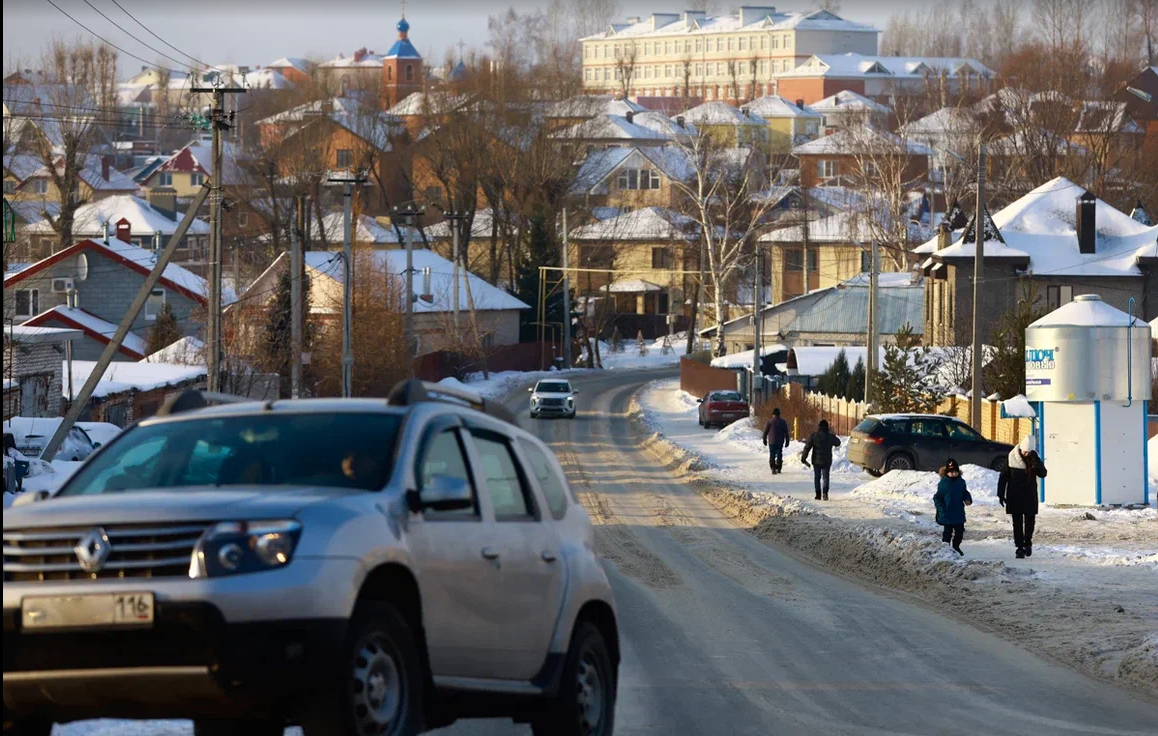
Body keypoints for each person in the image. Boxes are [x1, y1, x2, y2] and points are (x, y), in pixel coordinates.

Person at [997, 435, 1048, 559]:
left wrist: (1037, 464)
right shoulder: (1011, 457)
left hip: (1030, 494)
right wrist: (1000, 494)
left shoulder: (1034, 457)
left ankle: (1028, 543)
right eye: (1024, 451)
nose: (1026, 454)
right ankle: (1019, 547)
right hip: (1014, 494)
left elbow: (1043, 474)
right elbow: (1003, 477)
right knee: (1017, 522)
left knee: (1030, 521)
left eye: (1028, 452)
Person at [933, 458, 972, 556]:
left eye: (955, 472)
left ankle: (956, 546)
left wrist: (967, 499)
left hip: (958, 512)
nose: (953, 474)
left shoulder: (961, 482)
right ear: (947, 473)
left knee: (960, 532)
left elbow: (964, 492)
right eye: (951, 472)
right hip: (947, 513)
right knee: (947, 533)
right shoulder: (943, 484)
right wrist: (941, 508)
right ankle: (945, 549)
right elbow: (937, 497)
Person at [801, 419, 841, 501]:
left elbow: (807, 447)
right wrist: (832, 437)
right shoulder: (830, 436)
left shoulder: (814, 436)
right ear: (827, 427)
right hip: (827, 460)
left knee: (817, 477)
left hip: (816, 460)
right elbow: (838, 442)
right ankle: (825, 493)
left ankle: (818, 494)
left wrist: (803, 458)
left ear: (819, 427)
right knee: (826, 477)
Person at [761, 408, 790, 476]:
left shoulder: (769, 422)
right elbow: (786, 432)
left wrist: (764, 439)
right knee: (779, 453)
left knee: (772, 454)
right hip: (780, 441)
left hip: (772, 441)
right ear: (779, 414)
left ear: (773, 414)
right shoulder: (783, 422)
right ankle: (779, 467)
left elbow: (765, 432)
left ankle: (773, 467)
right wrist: (787, 441)